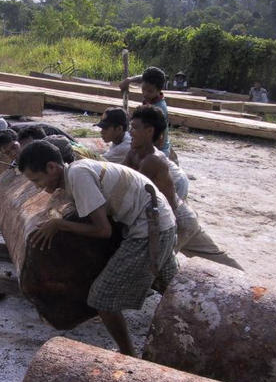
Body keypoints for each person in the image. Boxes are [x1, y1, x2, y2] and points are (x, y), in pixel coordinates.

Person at [18, 140, 178, 356]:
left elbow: (103, 231)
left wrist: (59, 224)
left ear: (52, 167)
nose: (37, 187)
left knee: (101, 299)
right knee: (173, 288)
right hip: (159, 220)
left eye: (37, 180)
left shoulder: (78, 175)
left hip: (150, 229)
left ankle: (128, 355)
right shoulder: (75, 173)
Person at [124, 105, 243, 271]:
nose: (130, 132)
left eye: (135, 127)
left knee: (154, 266)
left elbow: (131, 193)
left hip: (177, 220)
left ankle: (249, 284)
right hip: (178, 216)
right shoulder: (133, 153)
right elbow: (123, 180)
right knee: (215, 256)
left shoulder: (152, 160)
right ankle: (243, 278)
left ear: (150, 131)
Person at [119, 66, 177, 163]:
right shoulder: (150, 93)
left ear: (159, 90)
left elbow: (159, 140)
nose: (145, 94)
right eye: (143, 89)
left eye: (150, 91)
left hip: (158, 148)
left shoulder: (158, 109)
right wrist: (129, 80)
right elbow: (144, 78)